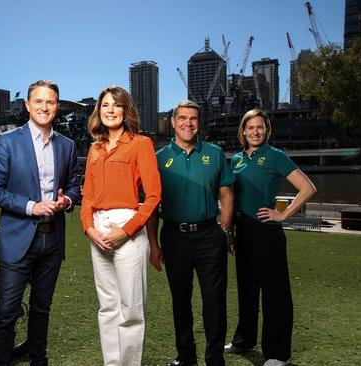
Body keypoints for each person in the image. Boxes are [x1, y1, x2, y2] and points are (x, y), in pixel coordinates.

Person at [0, 80, 80, 366]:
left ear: (57, 107)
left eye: (50, 102)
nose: (44, 107)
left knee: (41, 310)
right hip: (17, 239)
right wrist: (31, 207)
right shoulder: (8, 141)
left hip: (52, 240)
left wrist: (67, 201)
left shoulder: (67, 145)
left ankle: (39, 361)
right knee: (7, 313)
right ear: (27, 105)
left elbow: (74, 186)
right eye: (38, 101)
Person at [224, 108, 316, 366]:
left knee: (275, 293)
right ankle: (244, 340)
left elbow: (308, 188)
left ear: (267, 130)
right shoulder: (237, 159)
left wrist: (283, 215)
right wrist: (230, 232)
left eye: (260, 127)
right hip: (242, 231)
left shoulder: (275, 156)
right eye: (250, 127)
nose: (255, 132)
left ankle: (277, 354)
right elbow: (234, 197)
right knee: (247, 289)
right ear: (243, 131)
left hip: (266, 231)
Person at [146, 100, 235, 366]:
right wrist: (153, 243)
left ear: (199, 123)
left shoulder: (215, 153)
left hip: (210, 234)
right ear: (172, 122)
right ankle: (186, 358)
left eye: (193, 118)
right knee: (180, 301)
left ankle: (214, 358)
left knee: (214, 301)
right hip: (175, 237)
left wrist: (225, 230)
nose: (188, 123)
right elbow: (152, 205)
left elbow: (226, 193)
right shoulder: (158, 159)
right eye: (182, 118)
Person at [80, 86, 161, 365]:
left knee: (131, 309)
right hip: (97, 229)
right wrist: (89, 229)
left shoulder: (141, 143)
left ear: (126, 111)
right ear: (98, 111)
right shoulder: (94, 149)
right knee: (108, 307)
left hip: (127, 225)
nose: (110, 110)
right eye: (105, 105)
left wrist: (125, 231)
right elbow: (87, 196)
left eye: (116, 105)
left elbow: (153, 197)